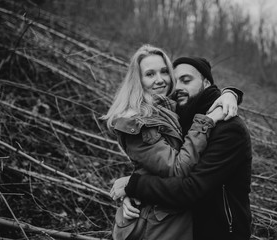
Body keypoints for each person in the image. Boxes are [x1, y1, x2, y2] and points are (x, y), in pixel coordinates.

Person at [102, 44, 242, 240]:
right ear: (138, 81)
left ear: (207, 83)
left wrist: (230, 93)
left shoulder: (219, 125)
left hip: (216, 230)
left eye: (164, 72)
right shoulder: (154, 118)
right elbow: (167, 167)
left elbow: (189, 188)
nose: (162, 80)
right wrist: (132, 188)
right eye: (150, 74)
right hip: (156, 224)